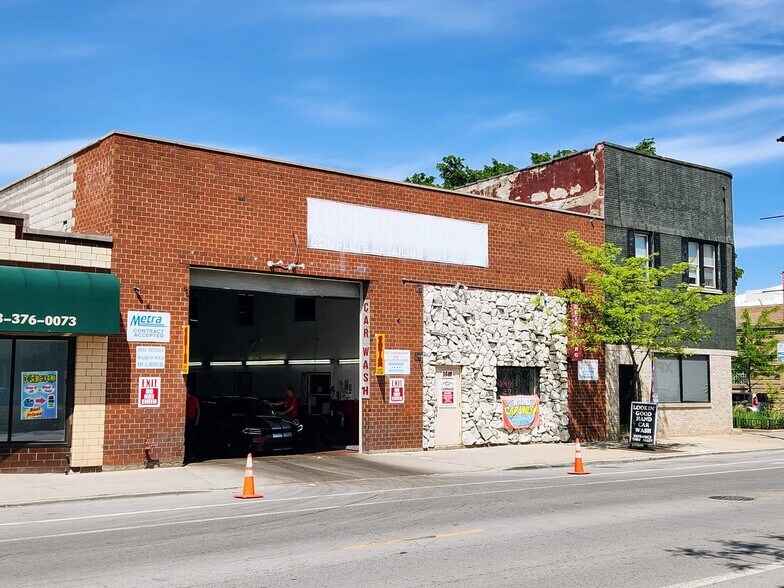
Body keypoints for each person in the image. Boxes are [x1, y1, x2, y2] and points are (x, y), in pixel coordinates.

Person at [185, 389, 200, 462]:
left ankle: (192, 453)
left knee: (192, 437)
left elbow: (198, 409)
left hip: (192, 420)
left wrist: (197, 420)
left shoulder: (193, 398)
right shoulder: (184, 398)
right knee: (187, 437)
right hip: (186, 420)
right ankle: (187, 453)